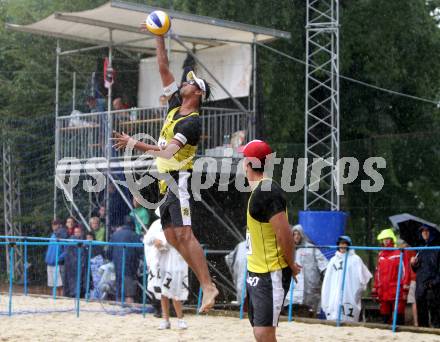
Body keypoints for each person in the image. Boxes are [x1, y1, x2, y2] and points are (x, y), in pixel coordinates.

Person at [113, 34, 218, 312]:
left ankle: (208, 285)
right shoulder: (174, 106)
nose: (185, 82)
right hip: (166, 182)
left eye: (190, 82)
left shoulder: (192, 123)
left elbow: (167, 153)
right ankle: (203, 284)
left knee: (184, 234)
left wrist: (134, 143)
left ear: (197, 93)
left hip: (179, 179)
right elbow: (163, 67)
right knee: (172, 237)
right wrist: (158, 36)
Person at [242, 140, 301, 342]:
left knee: (264, 333)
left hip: (271, 272)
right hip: (257, 271)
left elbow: (284, 233)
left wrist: (291, 264)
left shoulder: (267, 191)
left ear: (248, 164)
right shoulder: (260, 191)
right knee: (259, 331)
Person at [144, 210, 189, 330]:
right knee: (163, 293)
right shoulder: (156, 225)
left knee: (175, 292)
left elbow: (177, 242)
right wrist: (155, 241)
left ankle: (180, 319)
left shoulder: (179, 225)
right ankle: (165, 320)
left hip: (175, 262)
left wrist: (162, 243)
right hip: (161, 263)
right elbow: (147, 240)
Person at [321, 235, 372, 322]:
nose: (343, 246)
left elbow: (364, 276)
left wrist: (360, 288)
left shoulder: (355, 259)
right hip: (335, 291)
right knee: (334, 308)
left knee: (347, 310)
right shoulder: (333, 260)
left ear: (348, 245)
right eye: (341, 244)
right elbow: (328, 279)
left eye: (345, 244)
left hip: (349, 291)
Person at [284, 224, 328, 317]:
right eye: (294, 234)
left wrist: (328, 276)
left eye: (298, 234)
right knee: (291, 311)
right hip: (292, 288)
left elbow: (324, 265)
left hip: (310, 288)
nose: (296, 237)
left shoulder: (311, 249)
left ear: (302, 235)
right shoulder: (287, 250)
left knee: (310, 312)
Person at [371, 229, 410, 325]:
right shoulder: (380, 255)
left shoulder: (399, 253)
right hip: (383, 290)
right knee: (385, 319)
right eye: (384, 239)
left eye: (387, 238)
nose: (385, 241)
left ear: (392, 239)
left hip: (397, 290)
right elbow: (377, 273)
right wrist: (375, 288)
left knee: (398, 319)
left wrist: (405, 286)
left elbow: (406, 270)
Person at [410, 225, 440, 328]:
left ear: (432, 232)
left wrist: (433, 283)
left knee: (436, 313)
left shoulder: (437, 247)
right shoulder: (420, 248)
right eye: (423, 231)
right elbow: (417, 269)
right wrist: (413, 264)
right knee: (422, 314)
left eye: (427, 230)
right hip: (420, 285)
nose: (425, 233)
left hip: (434, 286)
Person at [108, 223, 143, 304]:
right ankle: (129, 306)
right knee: (129, 293)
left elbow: (109, 252)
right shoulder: (134, 235)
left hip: (118, 265)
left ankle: (119, 303)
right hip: (130, 265)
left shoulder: (115, 235)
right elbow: (141, 251)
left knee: (119, 289)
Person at [45, 219, 68, 296]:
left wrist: (58, 259)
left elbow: (66, 250)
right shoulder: (52, 235)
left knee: (59, 285)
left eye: (55, 224)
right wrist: (48, 258)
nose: (53, 226)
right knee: (52, 285)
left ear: (60, 225)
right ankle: (54, 300)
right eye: (53, 224)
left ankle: (60, 299)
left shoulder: (63, 235)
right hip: (50, 262)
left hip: (57, 263)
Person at [63, 226, 87, 298]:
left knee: (79, 282)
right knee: (73, 283)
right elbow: (67, 253)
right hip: (73, 266)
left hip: (80, 266)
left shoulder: (83, 242)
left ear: (81, 233)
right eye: (75, 232)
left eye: (78, 232)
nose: (77, 234)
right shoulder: (72, 241)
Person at [85, 231, 105, 299]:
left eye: (90, 237)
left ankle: (98, 296)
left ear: (93, 238)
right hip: (88, 268)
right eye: (87, 238)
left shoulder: (97, 246)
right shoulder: (85, 246)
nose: (88, 239)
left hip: (96, 269)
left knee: (97, 282)